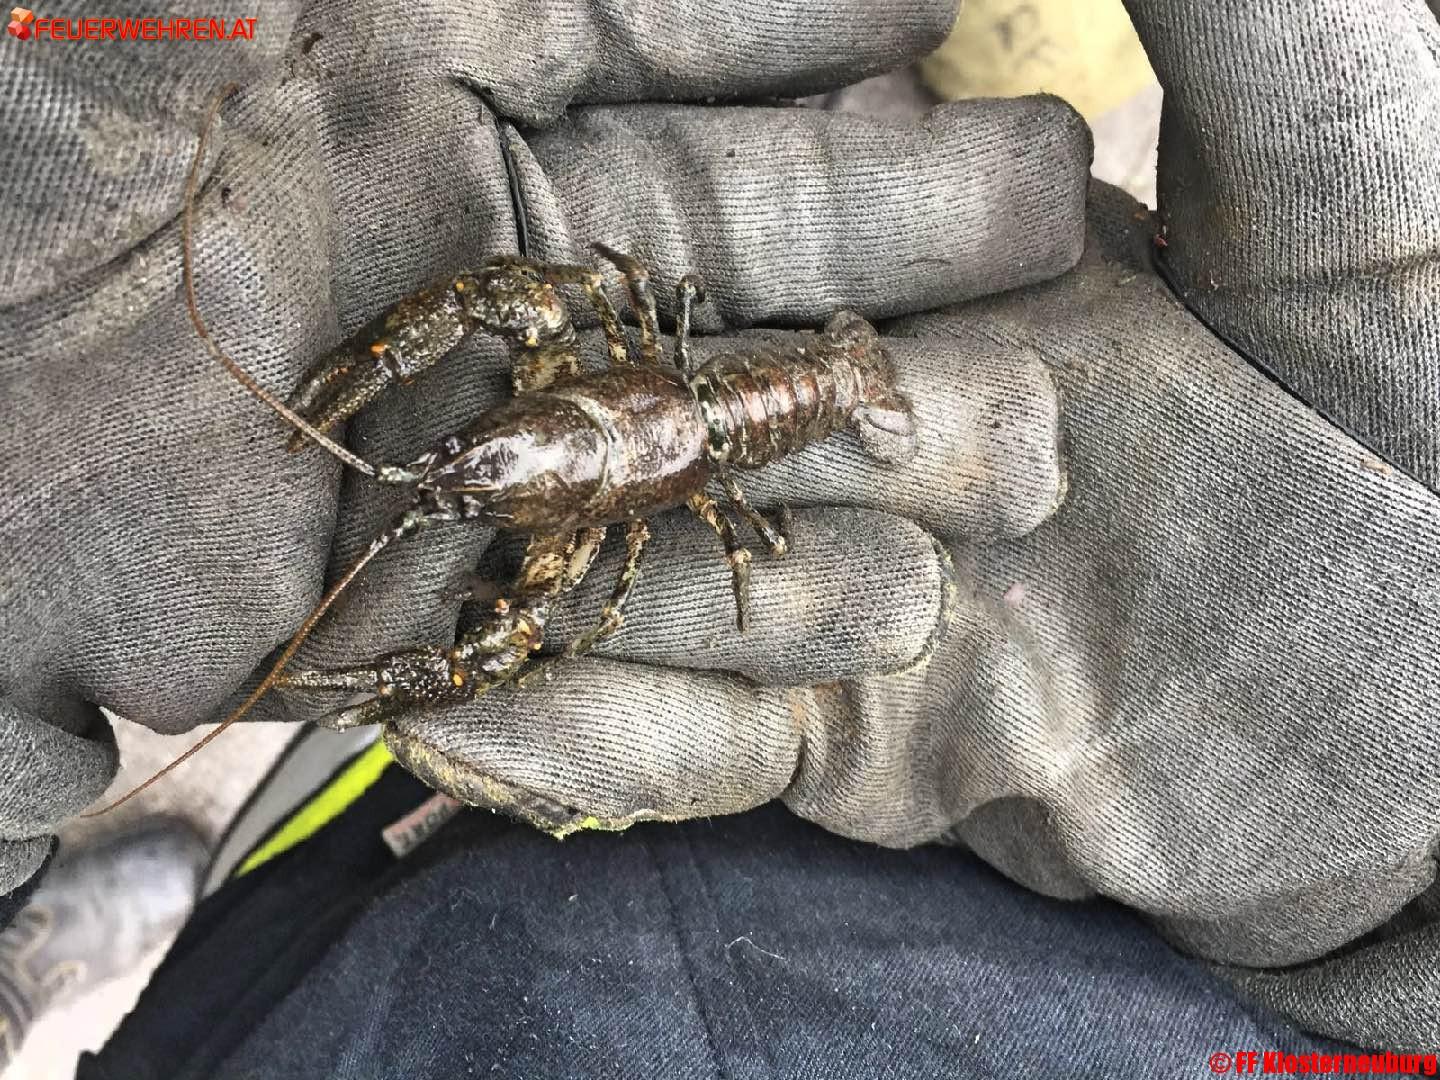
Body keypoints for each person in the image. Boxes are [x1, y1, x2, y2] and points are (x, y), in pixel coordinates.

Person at [1, 0, 1436, 1074]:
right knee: (493, 560)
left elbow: (522, 365)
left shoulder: (607, 460)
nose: (447, 475)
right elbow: (506, 304)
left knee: (512, 635)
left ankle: (235, 887)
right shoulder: (560, 398)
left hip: (762, 421)